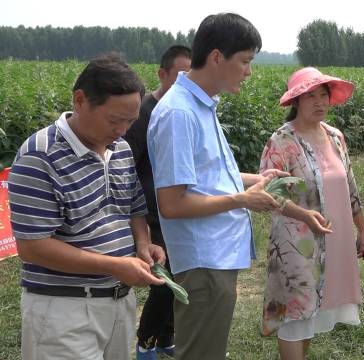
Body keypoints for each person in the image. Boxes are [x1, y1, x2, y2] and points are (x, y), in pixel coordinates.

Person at [8, 54, 166, 360]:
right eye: (114, 119)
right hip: (64, 310)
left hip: (119, 302)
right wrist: (114, 265)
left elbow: (133, 204)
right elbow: (34, 248)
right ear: (80, 100)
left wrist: (143, 244)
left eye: (130, 121)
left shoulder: (119, 149)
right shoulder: (40, 157)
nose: (122, 130)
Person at [147, 13, 286, 360]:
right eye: (245, 61)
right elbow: (173, 203)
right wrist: (242, 199)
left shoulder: (201, 107)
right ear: (216, 57)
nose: (249, 71)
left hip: (217, 256)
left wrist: (260, 180)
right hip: (203, 259)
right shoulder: (180, 114)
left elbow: (208, 179)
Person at [260, 67, 364, 360]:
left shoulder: (335, 136)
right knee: (295, 314)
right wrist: (305, 215)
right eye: (311, 96)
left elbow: (350, 185)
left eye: (324, 95)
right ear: (296, 100)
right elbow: (268, 191)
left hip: (334, 240)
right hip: (296, 243)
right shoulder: (282, 140)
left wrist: (362, 228)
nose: (320, 102)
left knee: (313, 312)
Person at [124, 44, 191, 360]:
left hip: (177, 210)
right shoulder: (142, 114)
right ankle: (145, 341)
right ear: (162, 74)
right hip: (150, 214)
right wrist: (139, 225)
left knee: (178, 276)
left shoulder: (183, 112)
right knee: (165, 281)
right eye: (178, 75)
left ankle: (165, 339)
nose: (184, 82)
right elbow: (127, 170)